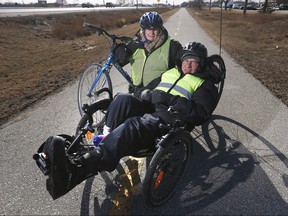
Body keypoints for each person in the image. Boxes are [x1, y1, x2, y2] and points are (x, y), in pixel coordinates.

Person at [34, 42, 222, 200]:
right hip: (151, 106)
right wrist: (144, 93)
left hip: (169, 119)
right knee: (123, 98)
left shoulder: (204, 85)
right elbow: (144, 89)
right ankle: (104, 138)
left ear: (201, 64)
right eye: (186, 60)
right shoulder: (170, 73)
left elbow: (200, 114)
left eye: (193, 62)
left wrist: (169, 100)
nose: (188, 65)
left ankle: (78, 169)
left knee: (133, 126)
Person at [101, 11, 184, 135]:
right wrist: (119, 50)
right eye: (148, 29)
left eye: (155, 29)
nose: (151, 32)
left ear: (160, 29)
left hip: (158, 98)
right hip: (138, 93)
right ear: (142, 29)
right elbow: (121, 61)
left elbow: (184, 68)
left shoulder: (172, 46)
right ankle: (104, 135)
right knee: (120, 101)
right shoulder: (135, 44)